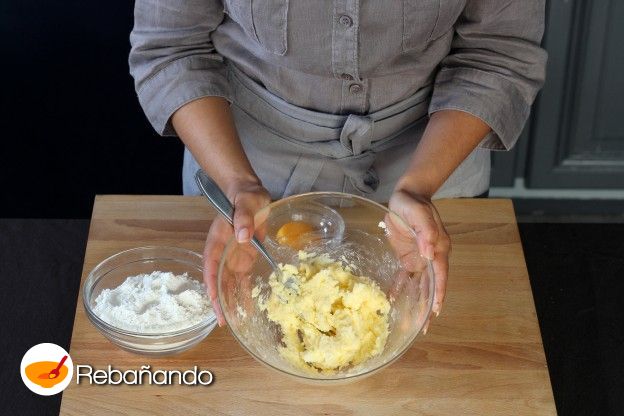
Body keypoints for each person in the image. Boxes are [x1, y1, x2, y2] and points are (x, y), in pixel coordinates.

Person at [129, 1, 547, 329]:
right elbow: (173, 47)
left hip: (435, 161)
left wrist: (418, 186)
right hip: (245, 163)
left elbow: (498, 54)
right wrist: (237, 184)